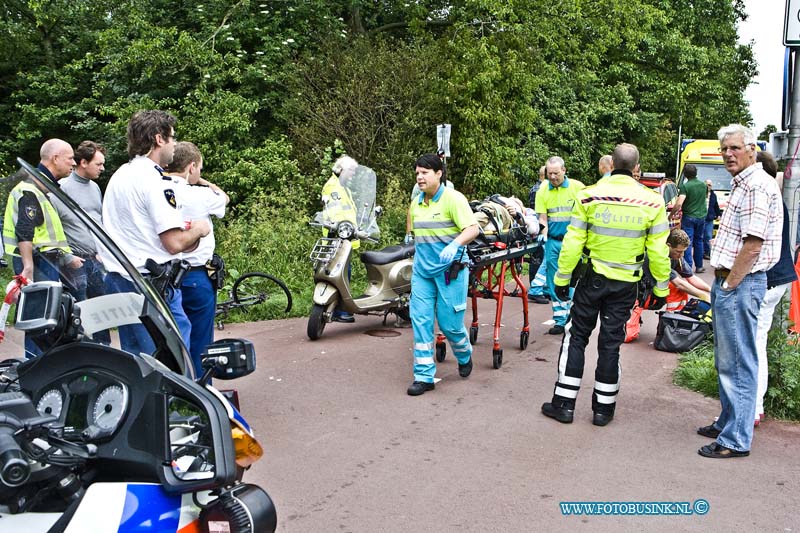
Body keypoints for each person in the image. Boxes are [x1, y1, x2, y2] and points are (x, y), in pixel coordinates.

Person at [541, 143, 670, 426]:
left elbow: (573, 242)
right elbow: (659, 252)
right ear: (637, 168)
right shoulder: (653, 202)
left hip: (592, 281)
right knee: (610, 345)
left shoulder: (589, 196)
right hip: (626, 285)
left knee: (576, 337)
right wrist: (661, 290)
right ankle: (603, 410)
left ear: (611, 164)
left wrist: (561, 280)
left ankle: (564, 404)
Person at [697, 124, 782, 459]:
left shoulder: (757, 186)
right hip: (733, 282)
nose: (728, 154)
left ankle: (735, 439)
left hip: (741, 283)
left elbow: (753, 244)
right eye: (724, 149)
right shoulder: (745, 183)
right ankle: (728, 422)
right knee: (728, 360)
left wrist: (730, 283)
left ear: (752, 148)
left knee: (740, 363)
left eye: (734, 148)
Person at [100, 110, 210, 357]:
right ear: (159, 139)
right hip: (151, 285)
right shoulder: (155, 181)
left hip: (122, 279)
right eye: (172, 138)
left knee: (139, 360)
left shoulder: (121, 175)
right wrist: (200, 229)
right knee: (173, 358)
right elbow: (173, 242)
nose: (174, 145)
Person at [407, 153, 478, 396]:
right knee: (421, 322)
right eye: (417, 173)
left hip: (451, 272)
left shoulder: (453, 199)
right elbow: (412, 225)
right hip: (423, 272)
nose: (419, 177)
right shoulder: (417, 201)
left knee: (450, 325)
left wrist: (455, 244)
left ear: (439, 174)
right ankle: (424, 375)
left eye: (424, 173)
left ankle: (464, 353)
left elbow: (472, 228)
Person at [3, 139, 78, 357]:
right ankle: (35, 367)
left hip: (45, 261)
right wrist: (27, 267)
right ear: (55, 158)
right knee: (39, 318)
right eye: (70, 157)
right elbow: (24, 231)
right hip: (37, 262)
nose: (73, 163)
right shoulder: (30, 189)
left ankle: (40, 364)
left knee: (43, 317)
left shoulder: (40, 188)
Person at [165, 142, 229, 376]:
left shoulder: (156, 190)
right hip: (196, 274)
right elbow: (224, 198)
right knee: (200, 339)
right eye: (199, 168)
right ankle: (201, 392)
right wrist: (204, 182)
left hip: (163, 275)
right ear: (191, 167)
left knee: (170, 337)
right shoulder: (199, 194)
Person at [48, 140, 111, 344]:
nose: (102, 168)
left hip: (96, 259)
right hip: (75, 262)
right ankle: (82, 354)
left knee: (101, 311)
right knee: (80, 312)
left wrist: (103, 251)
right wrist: (66, 256)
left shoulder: (95, 188)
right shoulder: (63, 188)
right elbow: (53, 225)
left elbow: (98, 221)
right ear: (83, 162)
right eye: (98, 164)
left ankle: (105, 350)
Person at [753, 151, 796, 426]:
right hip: (778, 278)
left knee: (752, 344)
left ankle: (753, 406)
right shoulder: (778, 199)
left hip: (765, 280)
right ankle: (755, 405)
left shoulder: (763, 196)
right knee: (758, 342)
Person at [535, 156, 584, 334]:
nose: (553, 177)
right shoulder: (543, 191)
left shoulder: (577, 188)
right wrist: (543, 234)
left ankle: (572, 314)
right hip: (553, 242)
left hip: (573, 242)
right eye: (550, 173)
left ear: (564, 170)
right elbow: (543, 217)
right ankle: (560, 320)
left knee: (573, 280)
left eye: (556, 173)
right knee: (554, 280)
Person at [322, 155, 360, 323]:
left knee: (344, 272)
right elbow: (336, 213)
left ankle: (338, 307)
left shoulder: (343, 187)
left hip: (346, 237)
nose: (353, 174)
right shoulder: (333, 187)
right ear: (341, 169)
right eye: (351, 170)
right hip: (339, 238)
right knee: (340, 273)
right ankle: (339, 309)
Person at [671, 163, 707, 273]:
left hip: (689, 217)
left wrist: (671, 214)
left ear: (686, 175)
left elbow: (678, 204)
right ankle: (699, 266)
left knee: (688, 242)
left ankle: (688, 268)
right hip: (702, 216)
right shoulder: (703, 185)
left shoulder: (685, 186)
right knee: (699, 240)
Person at [664, 229, 711, 312]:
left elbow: (691, 277)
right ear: (668, 245)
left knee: (680, 292)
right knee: (678, 287)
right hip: (639, 290)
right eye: (678, 251)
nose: (681, 255)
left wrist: (711, 290)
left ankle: (674, 321)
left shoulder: (676, 256)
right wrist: (703, 296)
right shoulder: (660, 258)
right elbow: (679, 284)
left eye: (683, 251)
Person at [527, 165, 550, 304]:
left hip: (537, 227)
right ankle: (536, 288)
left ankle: (542, 288)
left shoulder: (534, 189)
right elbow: (542, 213)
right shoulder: (543, 190)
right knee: (543, 261)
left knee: (541, 259)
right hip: (541, 228)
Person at [703, 180, 722, 259]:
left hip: (709, 218)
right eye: (707, 185)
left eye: (710, 185)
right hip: (701, 217)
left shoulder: (713, 195)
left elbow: (716, 205)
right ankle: (702, 253)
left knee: (708, 236)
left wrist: (718, 214)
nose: (708, 186)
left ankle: (708, 252)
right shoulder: (701, 194)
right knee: (700, 236)